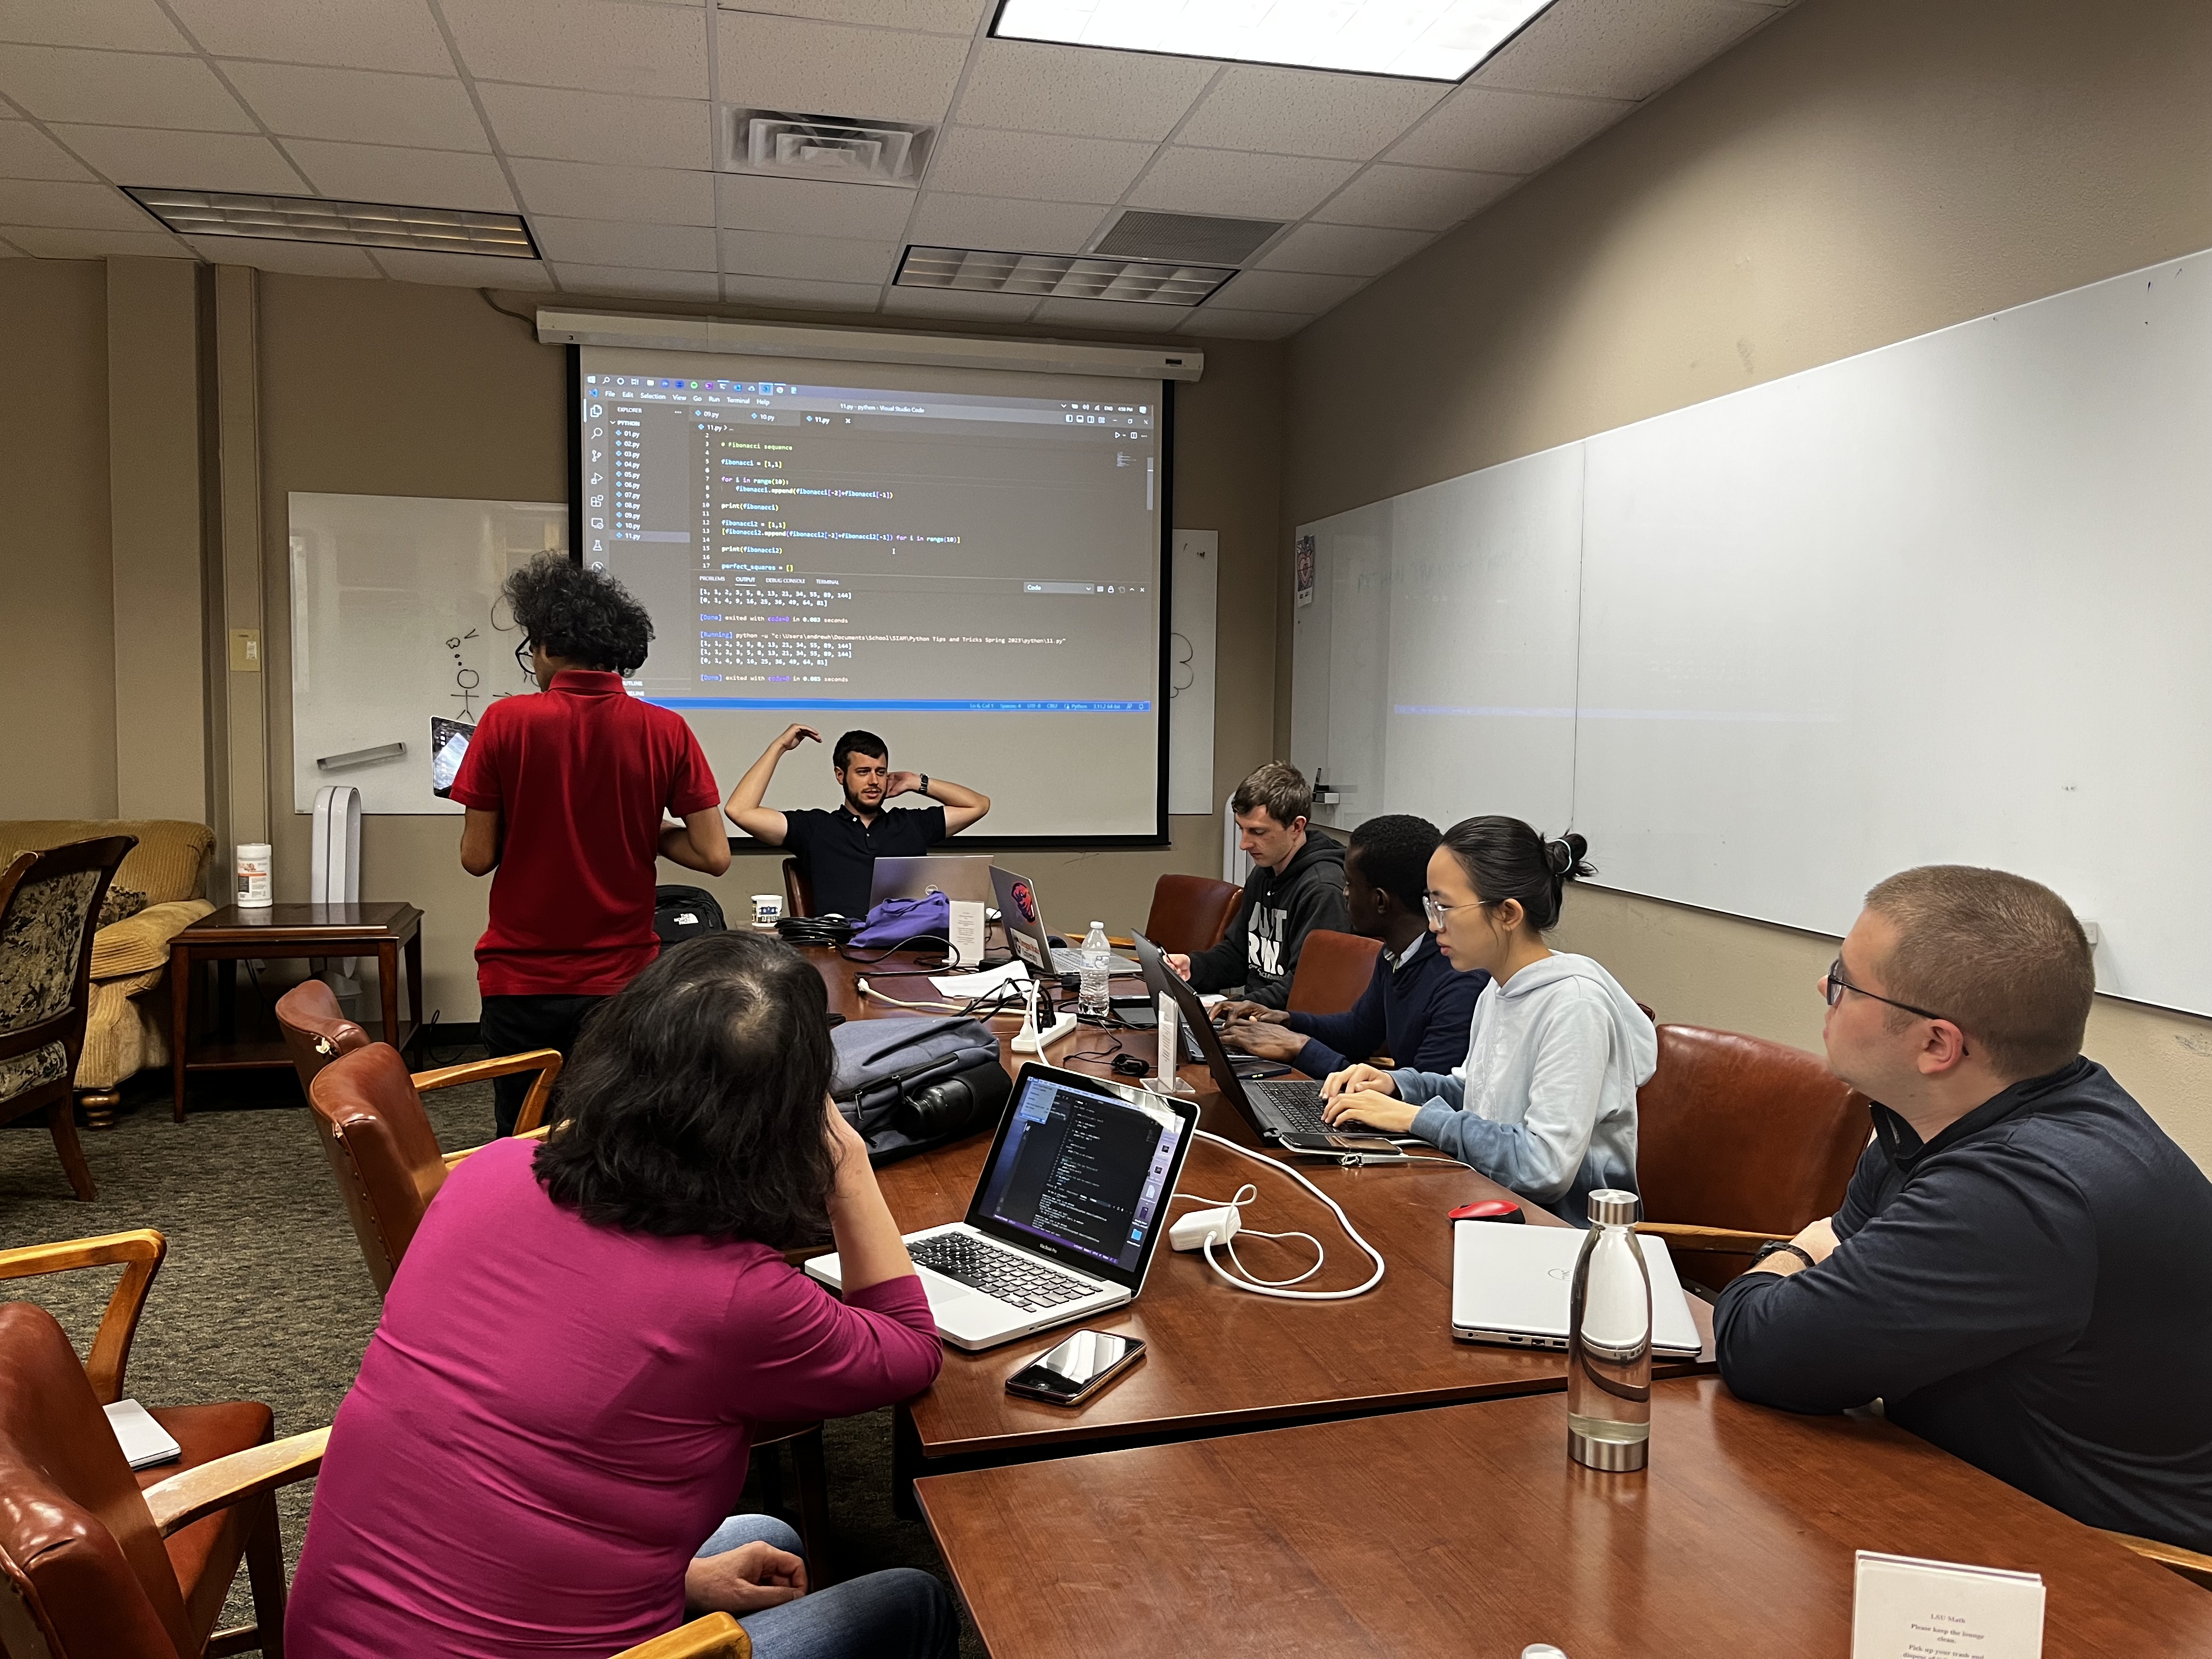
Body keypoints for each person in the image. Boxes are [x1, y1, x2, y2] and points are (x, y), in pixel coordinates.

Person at [286, 932, 958, 1659]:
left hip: (338, 1640)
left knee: (766, 1537)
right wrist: (849, 1165)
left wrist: (686, 1582)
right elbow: (911, 1350)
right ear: (787, 1120)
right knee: (913, 1597)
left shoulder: (491, 1172)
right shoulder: (736, 1298)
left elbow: (514, 1461)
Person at [1714, 865, 2212, 1553]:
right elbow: (1833, 1301)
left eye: (1844, 980)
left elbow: (1761, 1349)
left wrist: (1791, 1254)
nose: (1822, 990)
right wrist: (1817, 1264)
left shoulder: (2019, 1194)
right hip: (1979, 1502)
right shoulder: (1945, 1119)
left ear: (1937, 1045)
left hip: (2118, 1571)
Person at [452, 556, 729, 1136]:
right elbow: (713, 856)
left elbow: (477, 859)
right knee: (616, 1140)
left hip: (521, 983)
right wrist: (644, 826)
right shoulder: (667, 729)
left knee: (525, 1140)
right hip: (623, 983)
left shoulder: (504, 722)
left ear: (548, 646)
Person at [1320, 817, 1655, 1225]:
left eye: (1444, 907)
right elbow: (1479, 1094)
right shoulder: (1497, 989)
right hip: (1487, 1199)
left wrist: (1413, 1118)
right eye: (1430, 905)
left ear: (1508, 913)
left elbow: (1543, 1168)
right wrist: (1398, 1085)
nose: (1433, 925)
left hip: (1561, 1231)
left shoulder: (1575, 1007)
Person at [1215, 813, 1486, 1079]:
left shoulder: (1460, 982)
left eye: (1350, 884)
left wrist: (1300, 1047)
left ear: (1380, 901)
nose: (1344, 893)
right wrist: (1287, 1020)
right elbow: (1359, 1032)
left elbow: (1418, 1096)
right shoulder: (1396, 953)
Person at [725, 724, 990, 919]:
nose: (874, 781)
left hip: (908, 949)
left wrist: (914, 781)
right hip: (841, 950)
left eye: (880, 772)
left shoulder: (911, 824)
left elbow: (978, 805)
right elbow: (740, 810)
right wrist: (779, 747)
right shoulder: (816, 828)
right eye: (863, 772)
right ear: (841, 776)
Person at [1169, 761, 1348, 1009]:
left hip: (1284, 1022)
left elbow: (1306, 987)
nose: (1244, 844)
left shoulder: (1323, 889)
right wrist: (1194, 968)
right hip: (1255, 1014)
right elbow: (1239, 955)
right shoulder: (1264, 873)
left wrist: (1236, 1006)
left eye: (1258, 832)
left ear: (1297, 827)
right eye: (1242, 829)